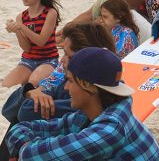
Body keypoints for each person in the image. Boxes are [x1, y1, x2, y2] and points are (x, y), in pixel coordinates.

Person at [5, 47, 159, 160]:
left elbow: (32, 155)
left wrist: (24, 148)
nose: (66, 87)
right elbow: (21, 127)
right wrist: (26, 145)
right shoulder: (91, 115)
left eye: (71, 81)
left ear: (90, 87)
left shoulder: (110, 130)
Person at [0, 23, 115, 159]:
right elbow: (8, 109)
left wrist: (24, 146)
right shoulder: (67, 83)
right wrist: (29, 92)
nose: (62, 60)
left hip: (54, 150)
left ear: (86, 59)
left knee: (19, 123)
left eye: (67, 54)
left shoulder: (84, 100)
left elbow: (25, 112)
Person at [3, 0, 60, 87]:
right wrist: (17, 31)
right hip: (28, 59)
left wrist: (21, 27)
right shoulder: (21, 17)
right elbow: (27, 48)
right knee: (6, 85)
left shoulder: (50, 13)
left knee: (32, 83)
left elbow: (41, 41)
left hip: (48, 60)